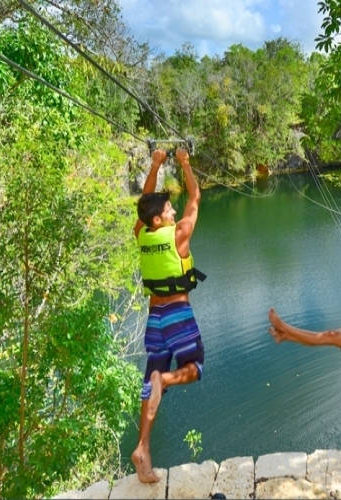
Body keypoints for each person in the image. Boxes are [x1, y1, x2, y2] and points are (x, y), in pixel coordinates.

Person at [131, 147, 207, 483]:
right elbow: (195, 197)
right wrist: (185, 164)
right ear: (159, 220)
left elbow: (145, 202)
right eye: (168, 209)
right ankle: (166, 379)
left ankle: (143, 449)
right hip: (177, 314)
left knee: (149, 382)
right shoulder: (179, 235)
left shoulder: (141, 232)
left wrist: (156, 165)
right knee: (194, 368)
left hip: (154, 320)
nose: (174, 210)